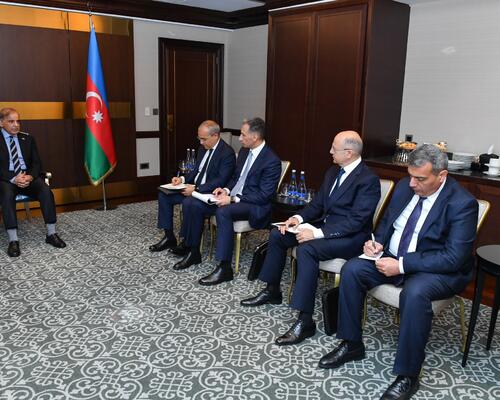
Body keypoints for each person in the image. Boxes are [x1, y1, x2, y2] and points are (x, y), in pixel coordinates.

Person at [318, 144, 478, 400]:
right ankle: (351, 343)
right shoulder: (405, 186)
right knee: (353, 269)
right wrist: (377, 243)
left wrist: (402, 265)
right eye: (410, 175)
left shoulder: (462, 203)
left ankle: (408, 375)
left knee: (414, 293)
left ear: (442, 176)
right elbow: (387, 223)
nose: (412, 183)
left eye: (420, 179)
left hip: (437, 269)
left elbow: (453, 257)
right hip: (392, 257)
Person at [240, 131, 380, 346]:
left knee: (307, 249)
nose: (330, 151)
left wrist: (315, 233)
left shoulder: (368, 180)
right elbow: (317, 205)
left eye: (334, 148)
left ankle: (305, 320)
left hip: (350, 237)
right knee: (278, 233)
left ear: (349, 153)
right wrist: (296, 219)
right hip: (324, 227)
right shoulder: (333, 172)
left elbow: (356, 221)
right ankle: (272, 289)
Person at [174, 117, 281, 285]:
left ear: (255, 137)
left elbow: (263, 195)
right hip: (233, 198)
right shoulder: (244, 152)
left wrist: (232, 199)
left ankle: (225, 268)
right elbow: (235, 178)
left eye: (243, 135)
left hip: (254, 205)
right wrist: (225, 190)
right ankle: (193, 251)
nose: (239, 138)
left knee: (224, 211)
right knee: (191, 203)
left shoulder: (271, 160)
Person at [149, 120, 235, 254]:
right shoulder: (203, 148)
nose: (201, 142)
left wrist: (196, 189)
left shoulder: (227, 153)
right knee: (164, 195)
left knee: (189, 202)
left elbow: (221, 180)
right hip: (193, 188)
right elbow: (196, 170)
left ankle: (186, 243)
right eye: (199, 138)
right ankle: (169, 237)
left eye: (204, 139)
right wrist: (182, 179)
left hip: (208, 193)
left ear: (215, 135)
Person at [0, 107, 66, 257]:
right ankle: (13, 240)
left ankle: (51, 234)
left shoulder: (27, 139)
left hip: (27, 176)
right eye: (11, 121)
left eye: (18, 121)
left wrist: (30, 176)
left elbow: (37, 163)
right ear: (1, 123)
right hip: (7, 179)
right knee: (6, 193)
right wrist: (14, 178)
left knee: (45, 190)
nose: (16, 125)